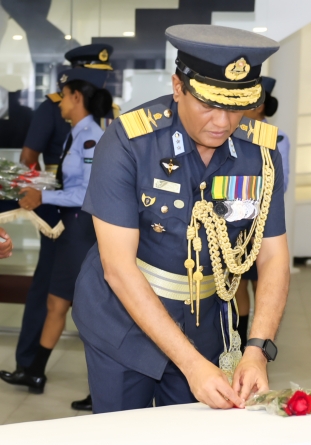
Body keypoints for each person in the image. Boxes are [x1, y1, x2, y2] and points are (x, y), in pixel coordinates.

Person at [71, 24, 289, 413]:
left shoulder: (260, 154)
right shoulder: (129, 141)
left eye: (235, 107)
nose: (223, 122)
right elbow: (118, 268)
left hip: (205, 324)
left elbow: (273, 257)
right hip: (123, 322)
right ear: (177, 87)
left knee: (194, 435)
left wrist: (257, 348)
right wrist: (191, 365)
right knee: (124, 434)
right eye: (209, 105)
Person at [0, 44, 114, 412]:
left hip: (81, 229)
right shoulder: (77, 133)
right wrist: (37, 188)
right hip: (69, 228)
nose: (59, 101)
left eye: (64, 95)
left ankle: (104, 388)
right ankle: (34, 371)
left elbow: (86, 191)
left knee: (87, 309)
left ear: (77, 97)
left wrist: (43, 196)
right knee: (56, 301)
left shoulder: (90, 136)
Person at [235, 76, 290, 350]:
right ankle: (239, 341)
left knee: (263, 282)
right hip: (236, 220)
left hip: (262, 223)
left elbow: (282, 182)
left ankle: (259, 341)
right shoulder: (232, 134)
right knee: (237, 283)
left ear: (259, 106)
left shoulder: (276, 138)